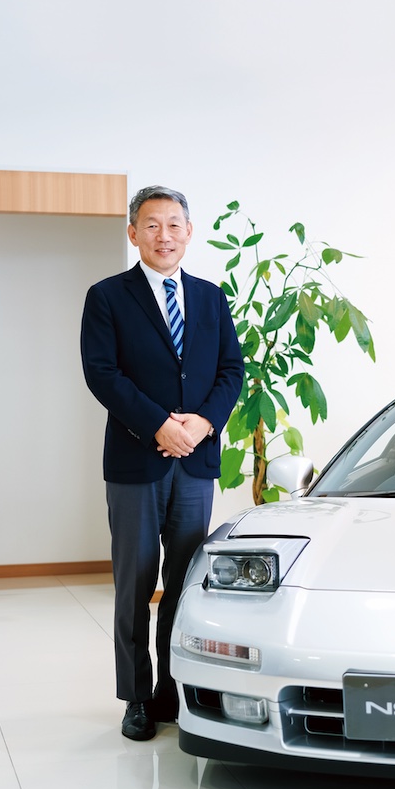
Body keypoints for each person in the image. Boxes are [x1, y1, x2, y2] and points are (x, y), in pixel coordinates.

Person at [80, 185, 244, 740]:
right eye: (152, 225)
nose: (164, 235)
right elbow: (102, 374)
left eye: (174, 224)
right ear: (133, 233)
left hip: (195, 460)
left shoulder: (211, 298)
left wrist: (202, 424)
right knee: (135, 584)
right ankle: (136, 697)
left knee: (184, 583)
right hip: (136, 460)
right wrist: (158, 425)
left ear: (189, 232)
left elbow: (231, 371)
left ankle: (172, 690)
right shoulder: (107, 296)